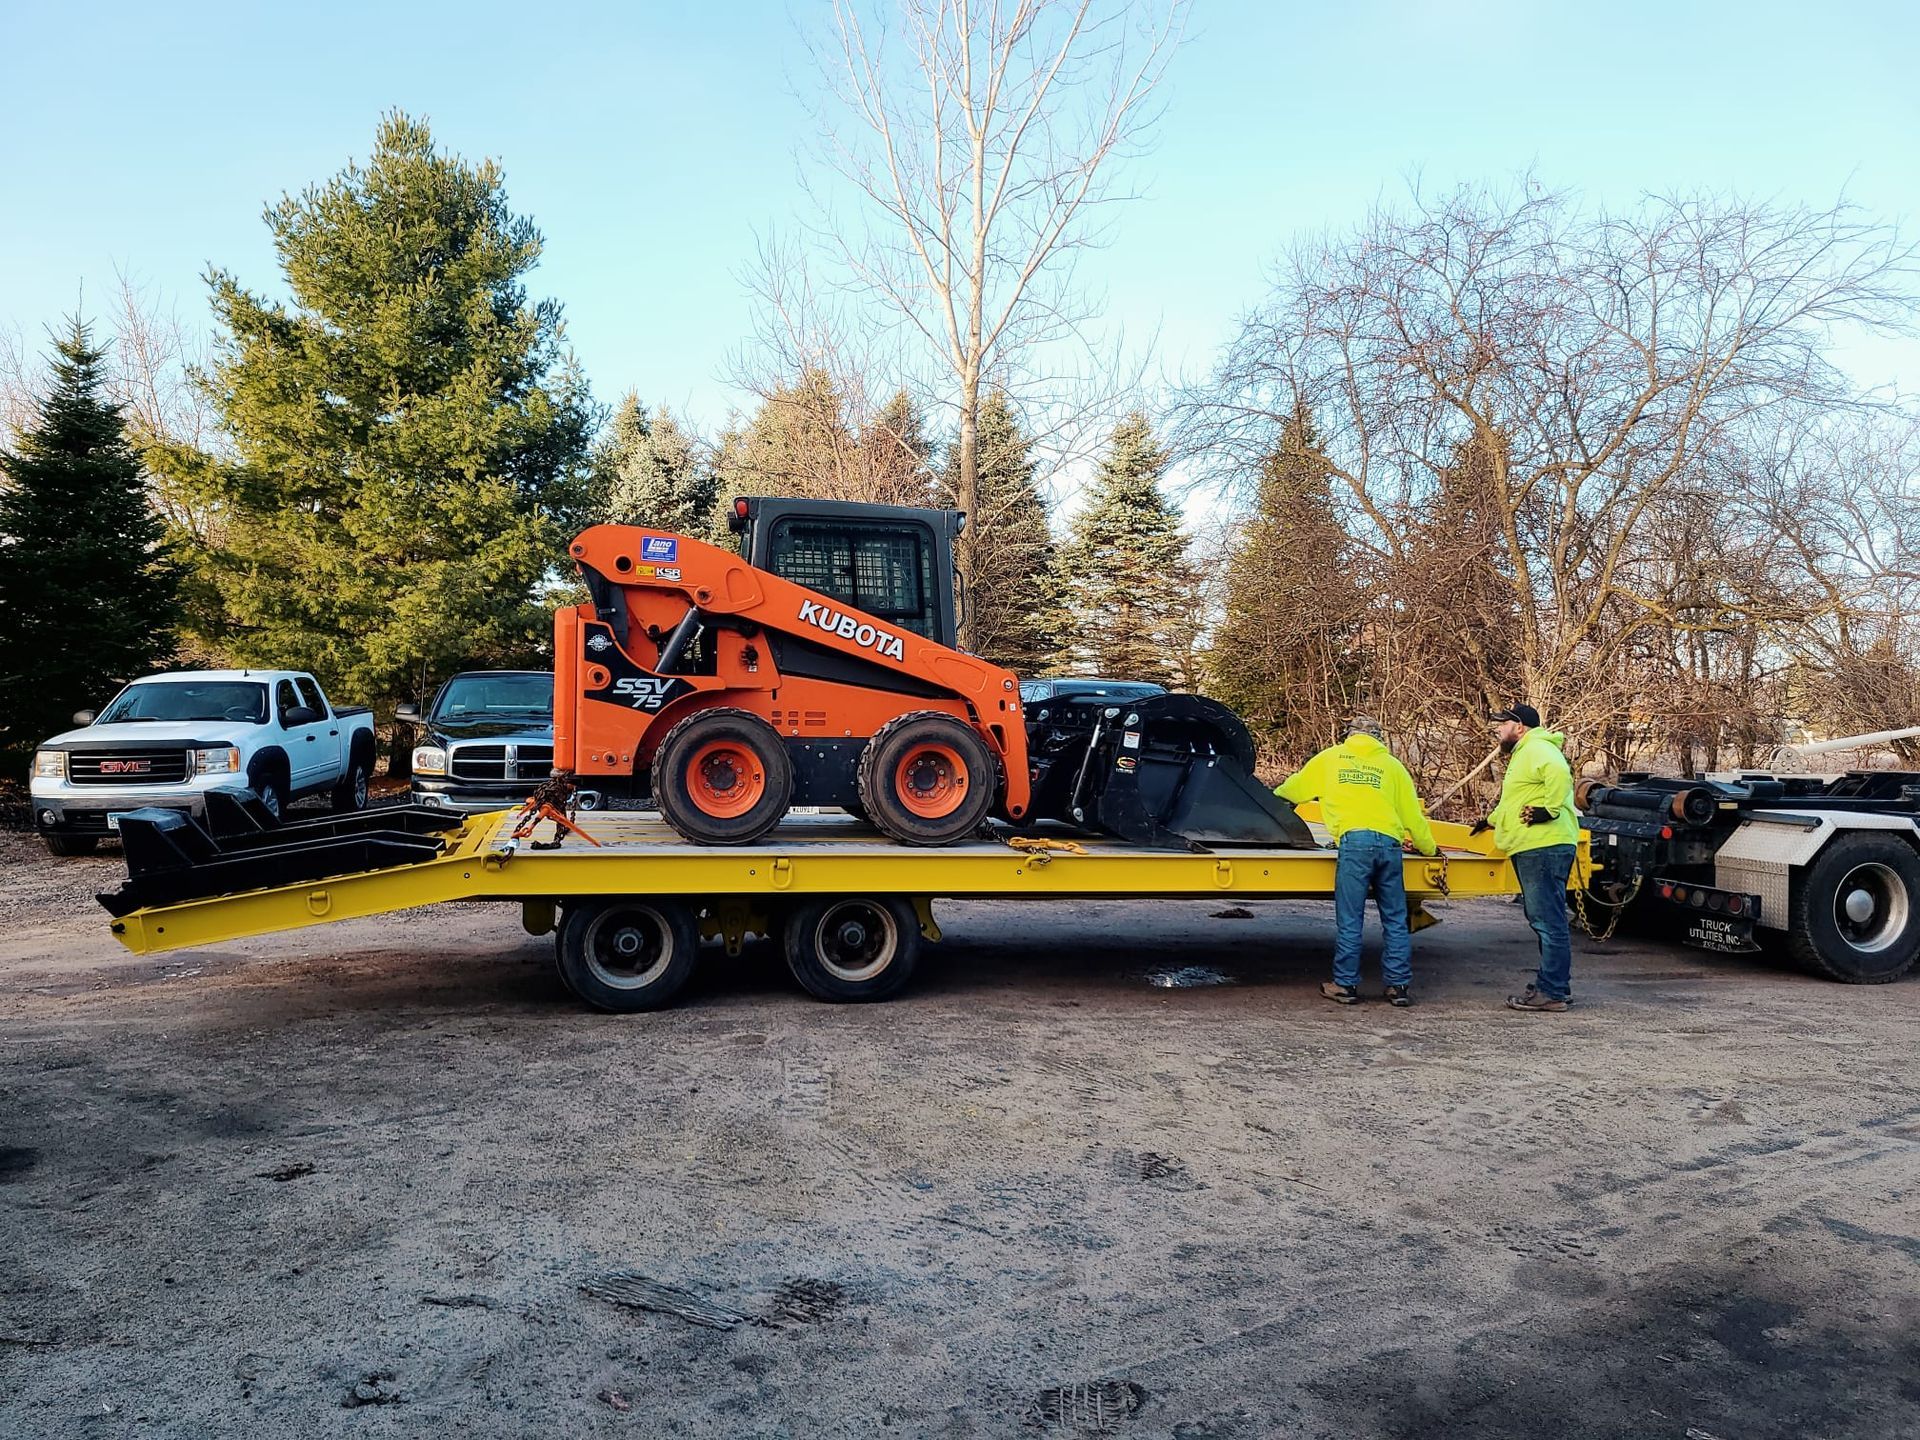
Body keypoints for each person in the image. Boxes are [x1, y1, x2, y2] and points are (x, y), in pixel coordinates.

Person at [1276, 718, 1438, 1007]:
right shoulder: (1392, 767)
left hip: (1355, 844)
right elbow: (1413, 816)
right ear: (1378, 739)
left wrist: (1265, 803)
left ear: (1350, 735)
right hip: (1390, 845)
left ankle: (1345, 985)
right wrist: (1429, 849)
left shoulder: (1330, 758)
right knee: (1395, 919)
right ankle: (1398, 988)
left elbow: (1293, 790)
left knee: (1351, 918)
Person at [1473, 704, 1581, 1011]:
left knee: (1547, 921)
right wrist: (1491, 820)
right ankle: (1556, 985)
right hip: (1537, 845)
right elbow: (1516, 801)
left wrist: (1551, 809)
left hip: (1542, 846)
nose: (1496, 728)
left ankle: (1552, 992)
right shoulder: (1525, 753)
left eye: (1501, 723)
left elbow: (1559, 773)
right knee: (1547, 920)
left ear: (1519, 726)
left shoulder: (1537, 748)